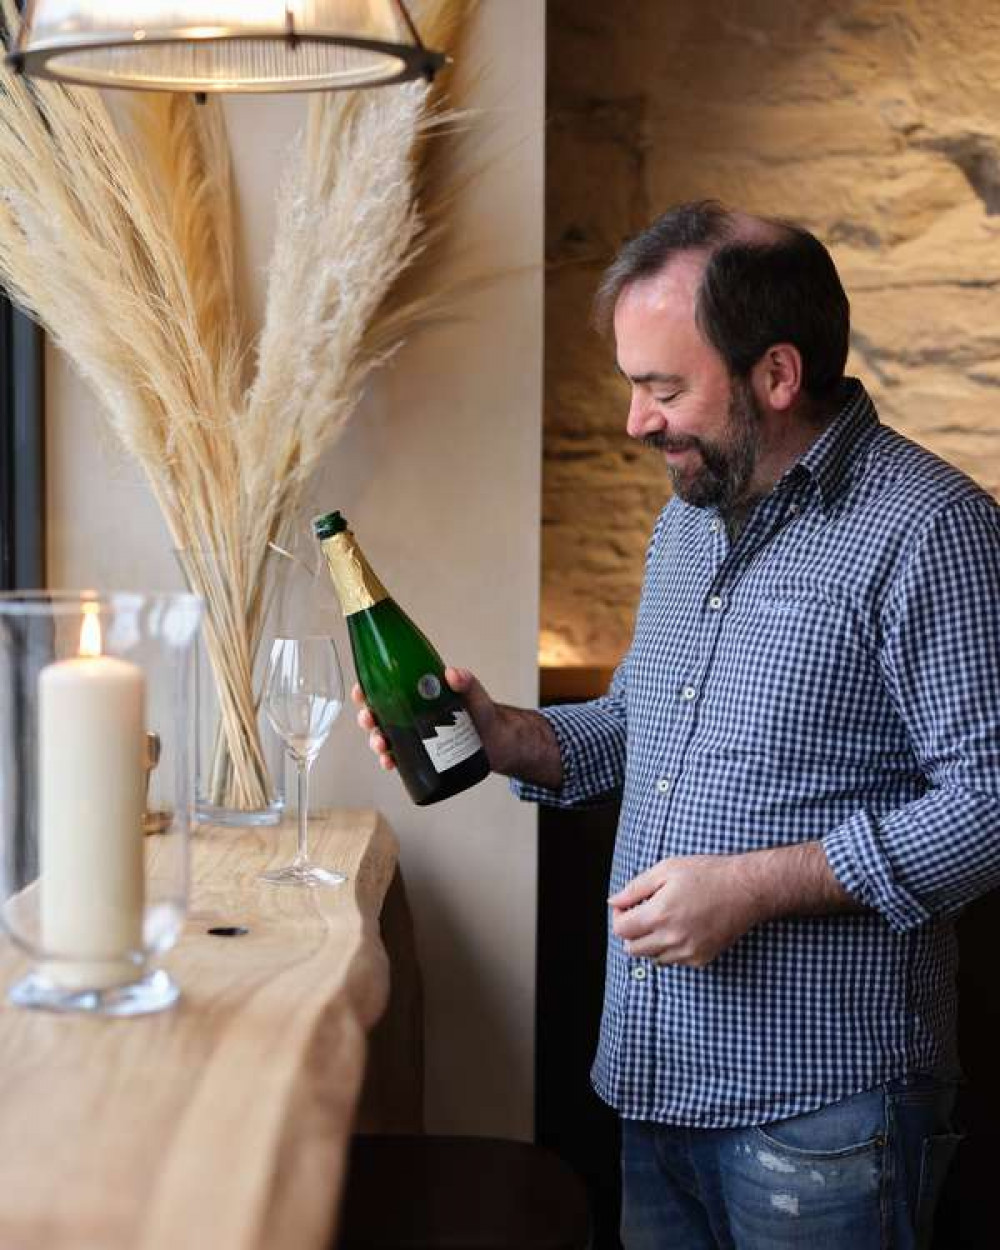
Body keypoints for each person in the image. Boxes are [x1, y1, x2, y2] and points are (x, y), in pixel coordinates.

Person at [351, 201, 1000, 1249]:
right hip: (658, 1083)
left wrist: (753, 886)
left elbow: (990, 803)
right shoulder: (689, 518)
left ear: (776, 376)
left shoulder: (933, 531)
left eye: (662, 388)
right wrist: (506, 731)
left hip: (826, 1112)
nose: (635, 421)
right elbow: (641, 724)